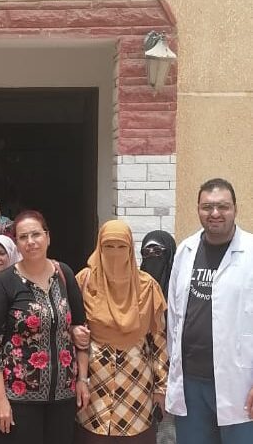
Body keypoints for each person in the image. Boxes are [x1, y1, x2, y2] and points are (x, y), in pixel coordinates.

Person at [0, 210, 89, 444]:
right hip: (17, 399)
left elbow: (80, 329)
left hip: (63, 397)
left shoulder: (64, 274)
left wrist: (82, 379)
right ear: (17, 244)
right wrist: (0, 399)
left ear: (48, 237)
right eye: (23, 237)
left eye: (36, 234)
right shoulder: (4, 283)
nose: (30, 242)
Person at [166, 178, 253, 444]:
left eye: (223, 206)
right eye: (207, 207)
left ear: (235, 209)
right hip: (191, 384)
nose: (215, 213)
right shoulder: (185, 250)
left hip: (240, 384)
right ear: (198, 209)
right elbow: (174, 316)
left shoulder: (250, 252)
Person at [74, 219, 168, 444]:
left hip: (137, 383)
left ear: (130, 249)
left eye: (121, 247)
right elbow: (71, 326)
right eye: (108, 246)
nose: (115, 253)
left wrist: (161, 387)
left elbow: (159, 341)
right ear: (99, 248)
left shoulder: (147, 286)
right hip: (94, 382)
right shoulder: (84, 281)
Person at [141, 230, 177, 444]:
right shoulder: (137, 287)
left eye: (158, 251)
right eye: (147, 252)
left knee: (167, 431)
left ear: (170, 253)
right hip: (140, 372)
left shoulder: (179, 289)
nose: (153, 256)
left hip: (174, 371)